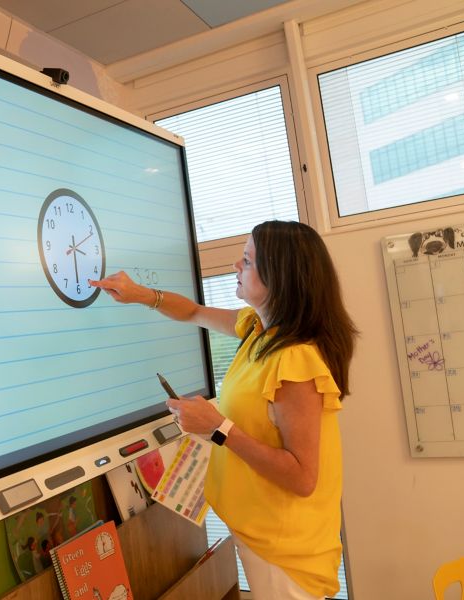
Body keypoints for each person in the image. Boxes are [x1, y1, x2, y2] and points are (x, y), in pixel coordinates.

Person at [90, 220, 357, 600]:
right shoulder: (259, 332)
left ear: (277, 279)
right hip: (262, 533)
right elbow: (193, 312)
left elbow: (302, 477)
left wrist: (218, 428)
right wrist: (139, 294)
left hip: (285, 546)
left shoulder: (295, 361)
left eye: (247, 261)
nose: (236, 266)